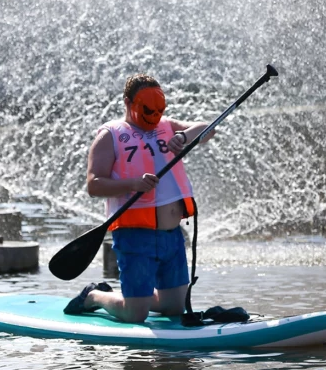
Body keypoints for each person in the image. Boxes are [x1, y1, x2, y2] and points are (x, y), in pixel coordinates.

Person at [63, 73, 215, 323]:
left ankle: (138, 297)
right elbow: (93, 185)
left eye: (159, 110)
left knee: (174, 308)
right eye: (147, 110)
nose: (154, 117)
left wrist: (185, 136)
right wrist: (133, 184)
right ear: (128, 102)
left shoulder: (166, 126)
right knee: (136, 315)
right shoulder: (109, 135)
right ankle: (95, 296)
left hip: (172, 236)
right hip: (135, 235)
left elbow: (208, 129)